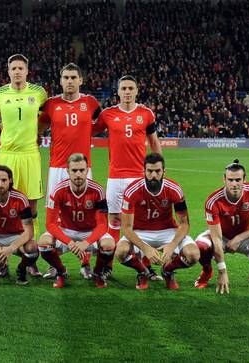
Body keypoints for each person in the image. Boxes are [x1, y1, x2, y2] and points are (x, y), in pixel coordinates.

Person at [93, 75, 163, 279]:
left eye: (130, 88)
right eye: (123, 88)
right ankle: (108, 266)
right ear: (118, 91)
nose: (127, 92)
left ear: (136, 90)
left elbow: (154, 142)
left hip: (139, 177)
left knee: (141, 222)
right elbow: (90, 130)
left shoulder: (146, 114)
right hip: (115, 177)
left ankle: (146, 267)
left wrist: (158, 170)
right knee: (114, 220)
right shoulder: (108, 114)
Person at [38, 63, 102, 279]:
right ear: (60, 80)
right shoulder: (50, 104)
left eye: (74, 77)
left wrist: (87, 133)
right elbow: (39, 127)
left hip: (84, 168)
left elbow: (102, 123)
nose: (70, 81)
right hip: (57, 167)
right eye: (66, 77)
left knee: (88, 216)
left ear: (80, 80)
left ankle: (85, 262)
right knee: (54, 218)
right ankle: (55, 265)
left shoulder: (91, 102)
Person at [0, 54, 47, 257]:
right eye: (13, 68)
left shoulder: (39, 92)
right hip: (7, 156)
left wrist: (38, 132)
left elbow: (45, 116)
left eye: (21, 68)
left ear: (27, 71)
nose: (17, 72)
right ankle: (2, 252)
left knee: (31, 205)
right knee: (3, 202)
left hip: (30, 155)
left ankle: (30, 253)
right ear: (8, 71)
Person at [116, 153, 199, 290]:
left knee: (193, 255)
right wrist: (145, 248)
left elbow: (184, 223)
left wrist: (172, 245)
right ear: (144, 171)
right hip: (139, 231)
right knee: (120, 252)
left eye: (157, 171)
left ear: (163, 172)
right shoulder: (132, 191)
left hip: (167, 231)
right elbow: (126, 227)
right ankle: (142, 271)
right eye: (150, 171)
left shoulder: (174, 190)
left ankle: (168, 270)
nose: (153, 175)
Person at [194, 159, 249, 293]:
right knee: (200, 246)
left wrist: (238, 238)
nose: (234, 184)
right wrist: (222, 270)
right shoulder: (213, 201)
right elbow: (216, 237)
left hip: (244, 236)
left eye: (238, 180)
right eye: (230, 180)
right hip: (221, 236)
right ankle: (207, 272)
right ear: (224, 180)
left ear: (245, 179)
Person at [39, 153, 114, 288]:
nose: (78, 174)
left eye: (82, 170)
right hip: (66, 231)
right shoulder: (58, 190)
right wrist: (69, 242)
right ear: (68, 171)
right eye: (74, 170)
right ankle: (61, 272)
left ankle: (97, 274)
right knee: (43, 244)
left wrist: (86, 242)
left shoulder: (98, 191)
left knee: (109, 244)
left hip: (89, 231)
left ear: (87, 171)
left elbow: (103, 225)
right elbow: (50, 224)